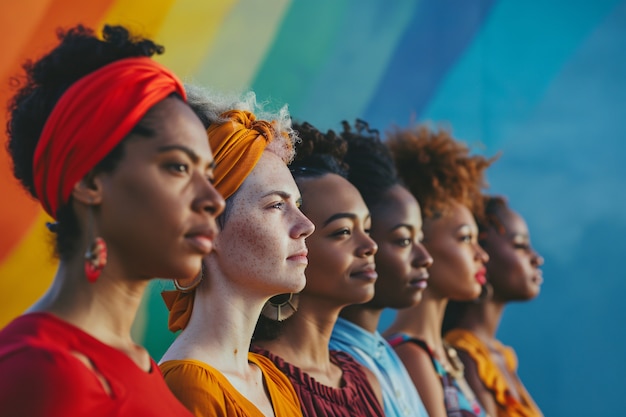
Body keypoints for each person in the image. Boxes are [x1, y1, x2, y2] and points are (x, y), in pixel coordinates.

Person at [0, 25, 225, 416]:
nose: (213, 200)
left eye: (208, 175)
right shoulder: (46, 371)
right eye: (177, 167)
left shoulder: (140, 363)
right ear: (89, 180)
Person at [159, 85, 314, 417]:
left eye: (297, 204)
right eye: (276, 205)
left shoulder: (272, 378)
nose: (305, 224)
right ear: (207, 227)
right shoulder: (188, 385)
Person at [251, 121, 385, 417]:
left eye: (367, 228)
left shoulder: (366, 381)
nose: (370, 245)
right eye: (342, 232)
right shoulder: (256, 380)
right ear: (292, 240)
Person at [383, 124, 495, 417]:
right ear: (422, 243)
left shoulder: (444, 355)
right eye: (465, 238)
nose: (481, 255)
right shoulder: (411, 354)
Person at [328, 119, 433, 417]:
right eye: (402, 240)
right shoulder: (336, 364)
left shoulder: (381, 352)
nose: (425, 257)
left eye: (420, 238)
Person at [442, 196, 544, 417]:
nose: (536, 258)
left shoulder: (500, 356)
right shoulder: (464, 356)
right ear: (481, 254)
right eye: (519, 245)